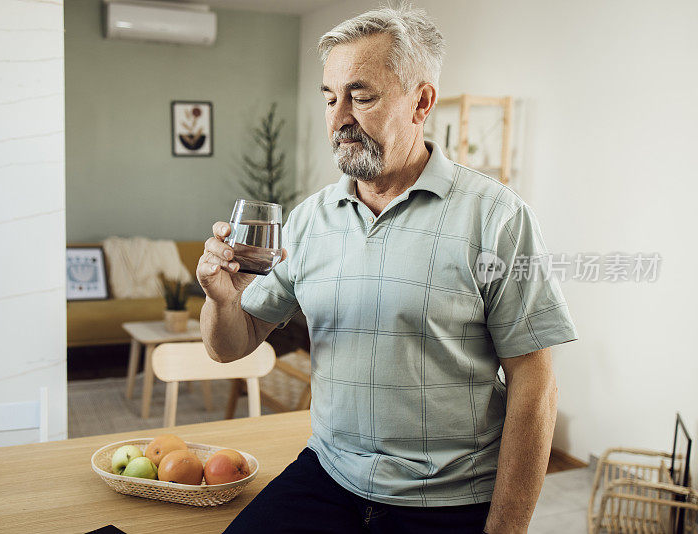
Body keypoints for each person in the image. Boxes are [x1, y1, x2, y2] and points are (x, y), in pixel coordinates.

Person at [198, 5, 578, 533]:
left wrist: (506, 530)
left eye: (362, 96)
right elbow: (230, 345)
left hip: (448, 500)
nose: (339, 118)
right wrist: (222, 299)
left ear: (421, 101)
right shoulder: (309, 220)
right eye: (330, 98)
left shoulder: (497, 217)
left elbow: (535, 385)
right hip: (329, 477)